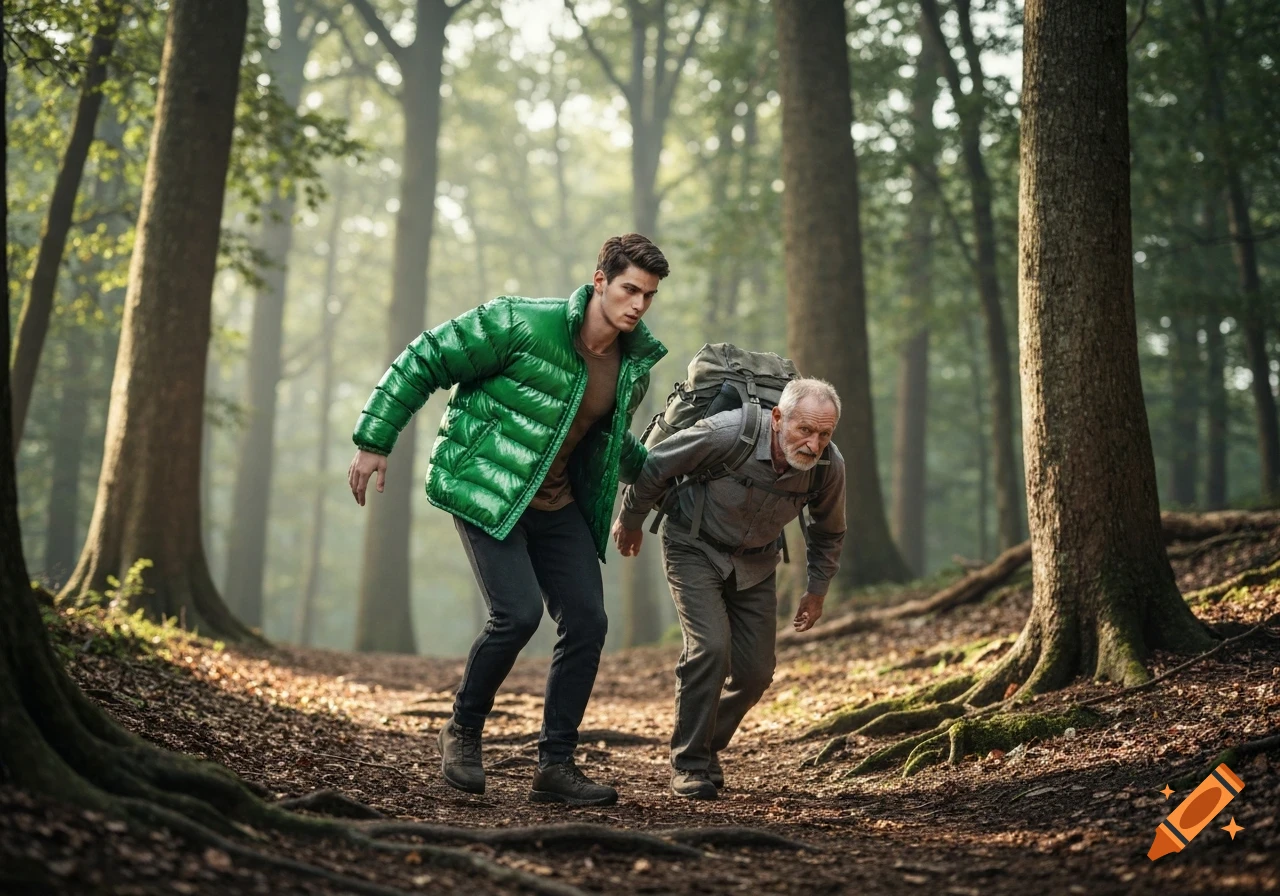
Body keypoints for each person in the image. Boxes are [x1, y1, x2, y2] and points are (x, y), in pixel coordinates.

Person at [347, 234, 669, 806]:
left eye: (648, 295)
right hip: (487, 488)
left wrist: (668, 479)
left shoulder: (631, 368)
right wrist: (375, 438)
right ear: (600, 280)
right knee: (516, 614)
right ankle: (463, 731)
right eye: (629, 289)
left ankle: (556, 765)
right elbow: (426, 357)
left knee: (589, 622)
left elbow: (612, 447)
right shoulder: (518, 321)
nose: (639, 305)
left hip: (558, 504)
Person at [612, 379, 846, 799]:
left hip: (756, 563)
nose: (814, 444)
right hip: (693, 546)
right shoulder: (727, 433)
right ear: (778, 418)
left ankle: (705, 743)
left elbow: (828, 531)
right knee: (710, 649)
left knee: (756, 672)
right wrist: (631, 519)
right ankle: (689, 763)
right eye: (804, 430)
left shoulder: (828, 467)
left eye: (824, 434)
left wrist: (817, 589)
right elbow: (656, 464)